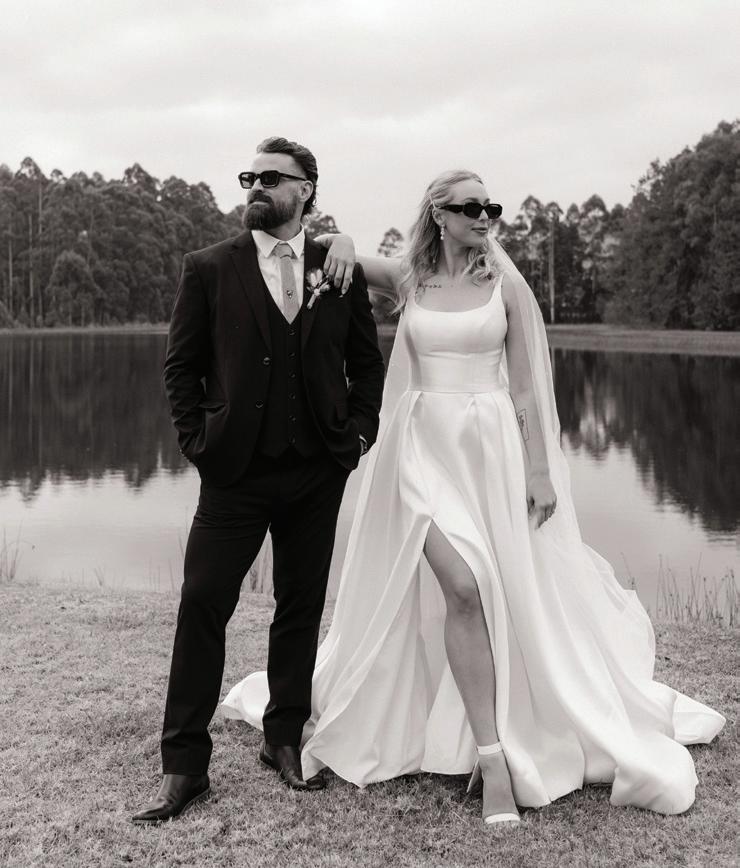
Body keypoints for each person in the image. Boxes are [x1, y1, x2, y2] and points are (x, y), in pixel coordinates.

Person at [223, 169, 725, 824]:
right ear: (438, 214)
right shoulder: (411, 279)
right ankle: (493, 761)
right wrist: (338, 240)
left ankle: (493, 728)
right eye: (469, 207)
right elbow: (328, 255)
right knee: (464, 586)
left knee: (502, 590)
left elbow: (527, 389)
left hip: (490, 454)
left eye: (490, 207)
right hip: (418, 454)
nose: (484, 217)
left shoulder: (504, 284)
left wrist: (540, 471)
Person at [132, 137, 385, 824]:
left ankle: (283, 738)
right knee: (202, 603)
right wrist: (198, 444)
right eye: (251, 176)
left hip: (318, 469)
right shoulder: (209, 268)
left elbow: (367, 365)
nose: (256, 186)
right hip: (233, 474)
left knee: (300, 606)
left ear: (306, 189)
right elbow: (180, 368)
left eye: (272, 177)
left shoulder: (337, 268)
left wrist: (357, 438)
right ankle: (185, 765)